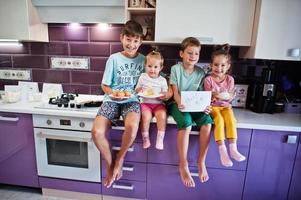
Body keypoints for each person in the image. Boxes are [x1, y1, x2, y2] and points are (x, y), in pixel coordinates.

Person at [91, 20, 145, 188]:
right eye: (128, 39)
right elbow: (104, 85)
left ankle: (120, 159)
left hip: (133, 100)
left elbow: (154, 80)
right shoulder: (113, 59)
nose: (131, 44)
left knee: (132, 126)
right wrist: (113, 94)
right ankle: (110, 163)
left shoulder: (144, 60)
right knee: (96, 132)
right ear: (121, 38)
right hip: (112, 100)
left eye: (136, 40)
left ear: (140, 42)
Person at [169, 37, 213, 187]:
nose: (193, 56)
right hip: (178, 103)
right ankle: (183, 164)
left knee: (207, 123)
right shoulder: (176, 69)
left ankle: (201, 162)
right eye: (189, 52)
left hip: (195, 106)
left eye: (196, 53)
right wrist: (180, 102)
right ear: (181, 53)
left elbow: (202, 95)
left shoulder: (201, 72)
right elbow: (175, 92)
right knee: (186, 124)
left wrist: (206, 106)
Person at [204, 44, 246, 167]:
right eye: (216, 65)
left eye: (223, 65)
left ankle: (233, 149)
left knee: (231, 120)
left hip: (226, 106)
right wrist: (214, 94)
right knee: (220, 121)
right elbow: (207, 96)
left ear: (228, 66)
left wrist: (231, 96)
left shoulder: (230, 80)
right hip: (214, 107)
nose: (219, 68)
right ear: (211, 65)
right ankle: (222, 151)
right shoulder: (208, 80)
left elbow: (231, 95)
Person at [135, 49, 169, 150]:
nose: (152, 70)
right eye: (149, 66)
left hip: (158, 104)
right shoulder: (142, 77)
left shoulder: (162, 80)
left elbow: (165, 93)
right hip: (145, 103)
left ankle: (160, 139)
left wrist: (163, 95)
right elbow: (137, 89)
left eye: (155, 67)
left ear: (160, 68)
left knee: (162, 116)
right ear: (145, 66)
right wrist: (139, 89)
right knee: (145, 117)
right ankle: (145, 138)